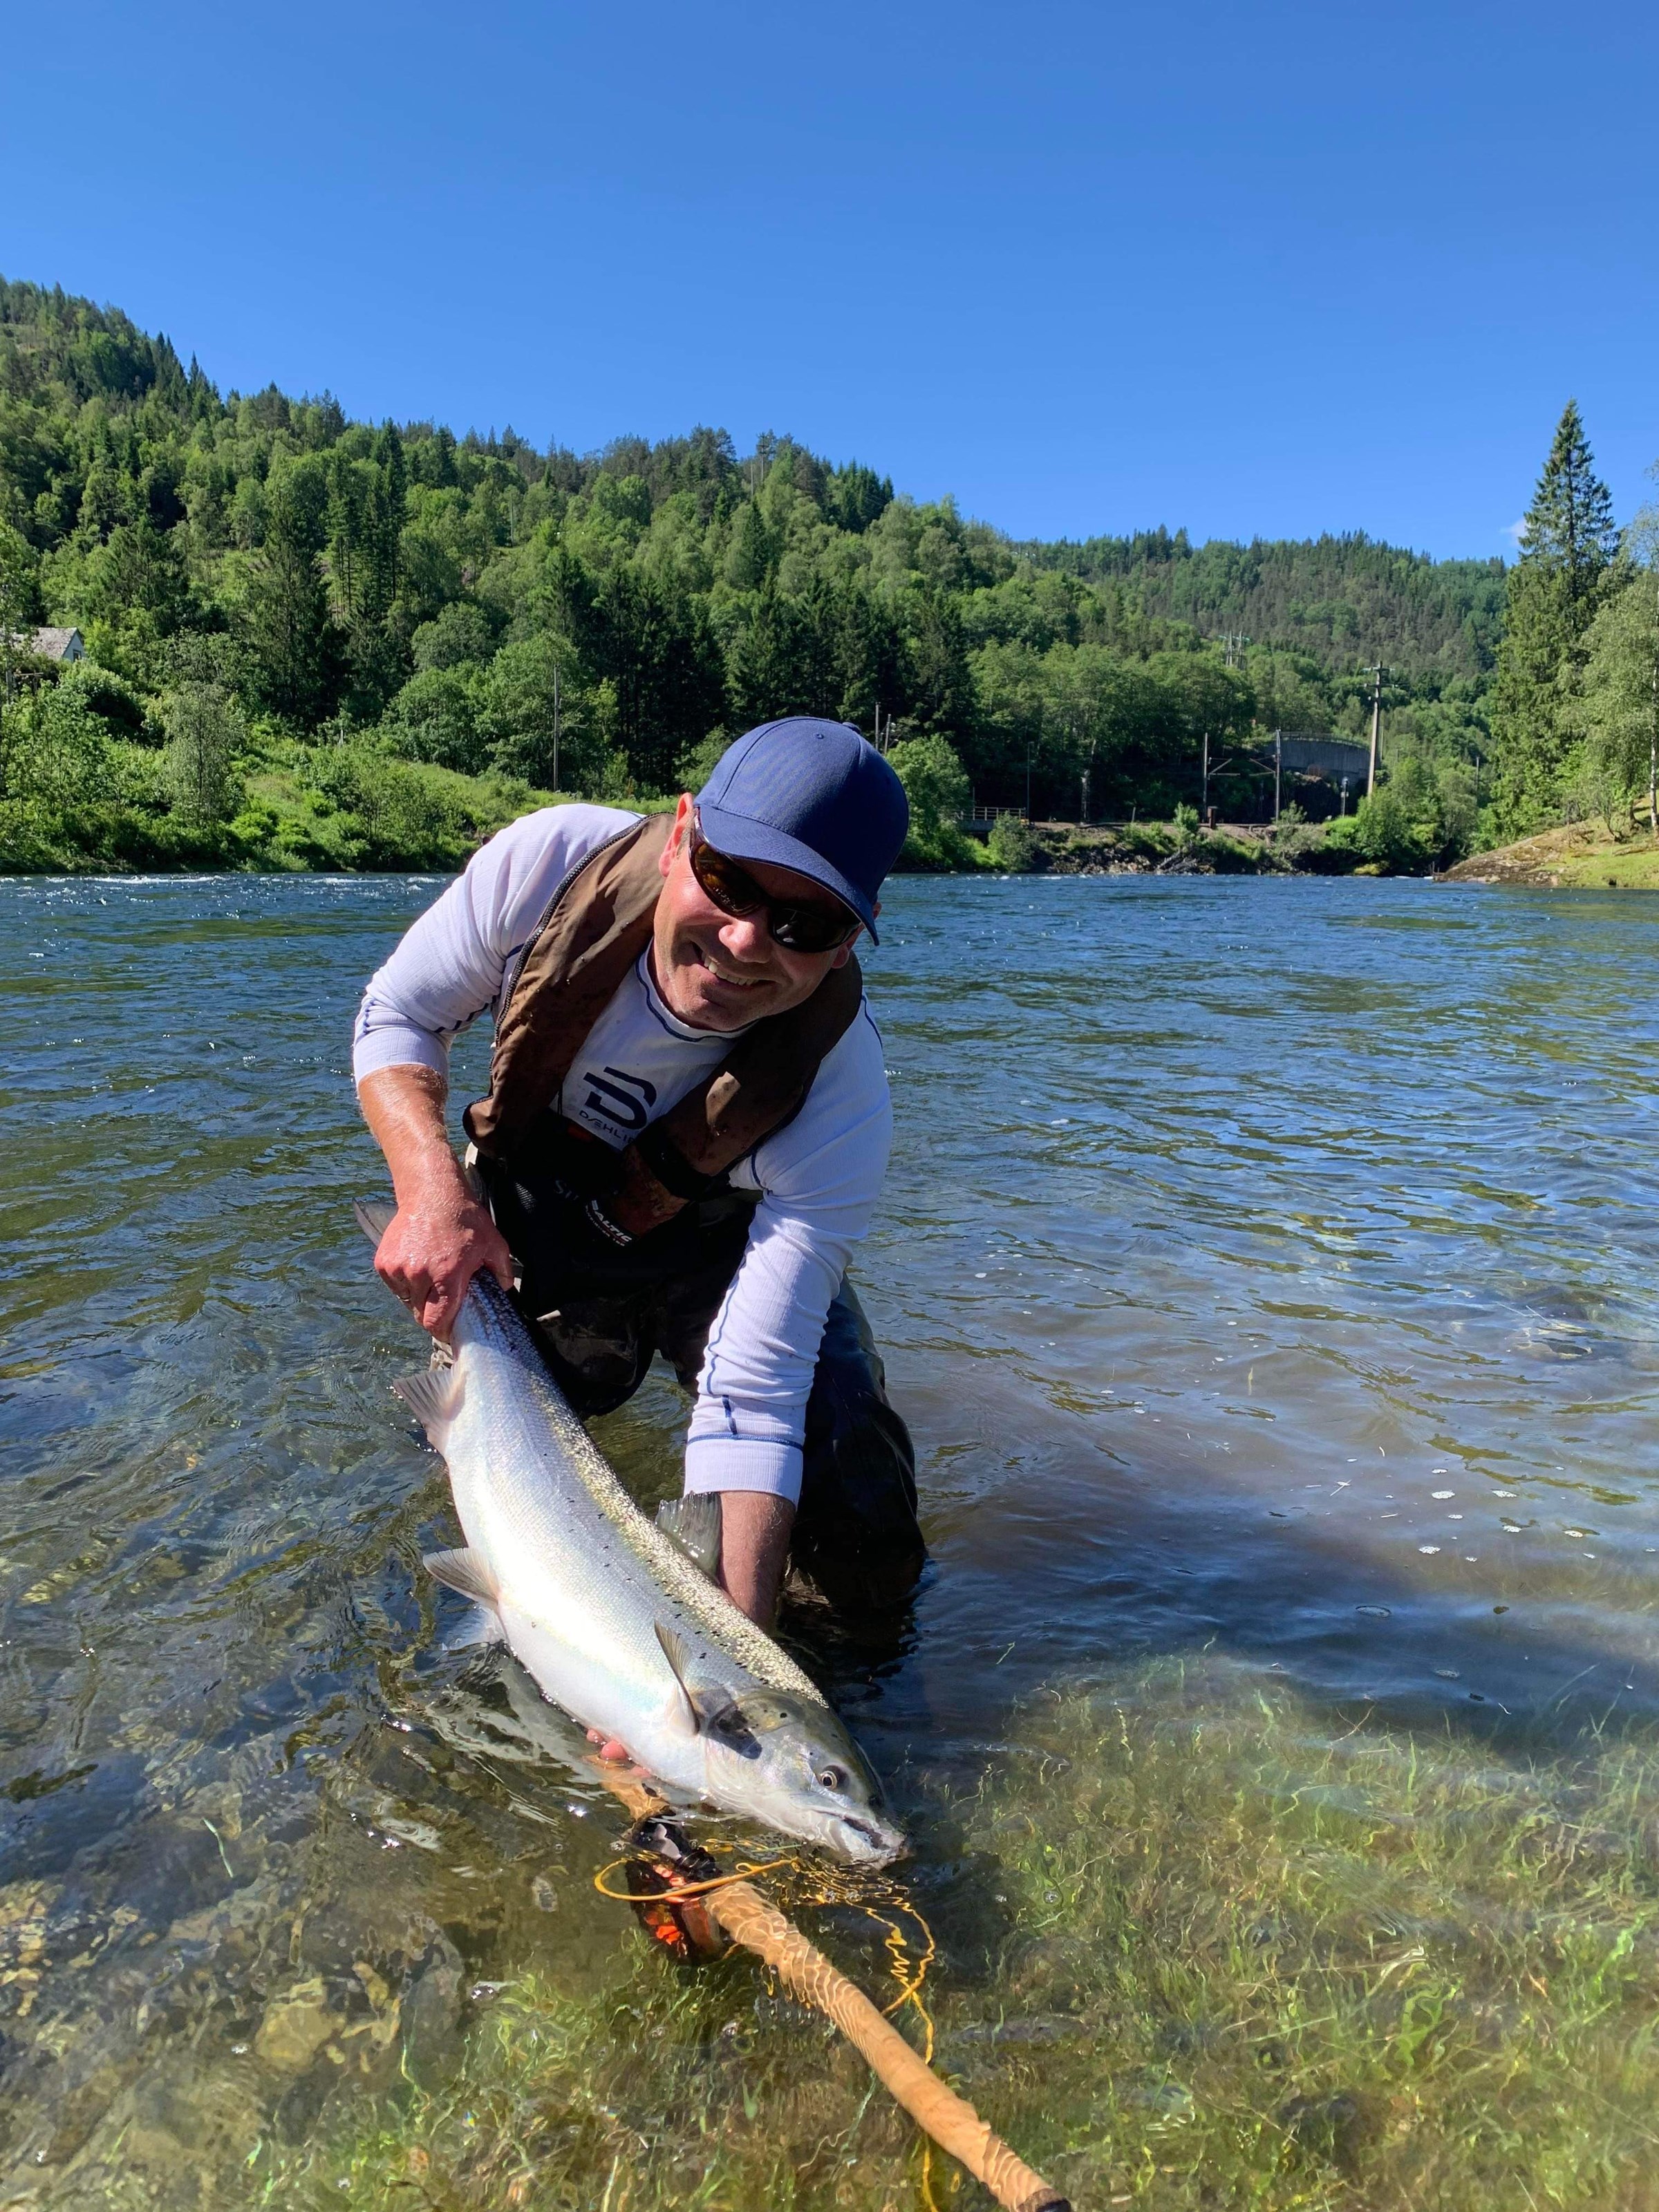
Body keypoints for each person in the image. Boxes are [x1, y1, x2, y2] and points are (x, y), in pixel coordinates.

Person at [353, 715, 924, 1632]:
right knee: (484, 1477)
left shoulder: (842, 1099)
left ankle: (830, 1678)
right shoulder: (547, 867)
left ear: (854, 937)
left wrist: (735, 1660)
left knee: (858, 1509)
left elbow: (761, 1392)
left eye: (803, 922)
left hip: (723, 1246)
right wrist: (428, 1189)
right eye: (728, 882)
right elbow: (402, 1012)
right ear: (683, 833)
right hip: (534, 1221)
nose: (745, 942)